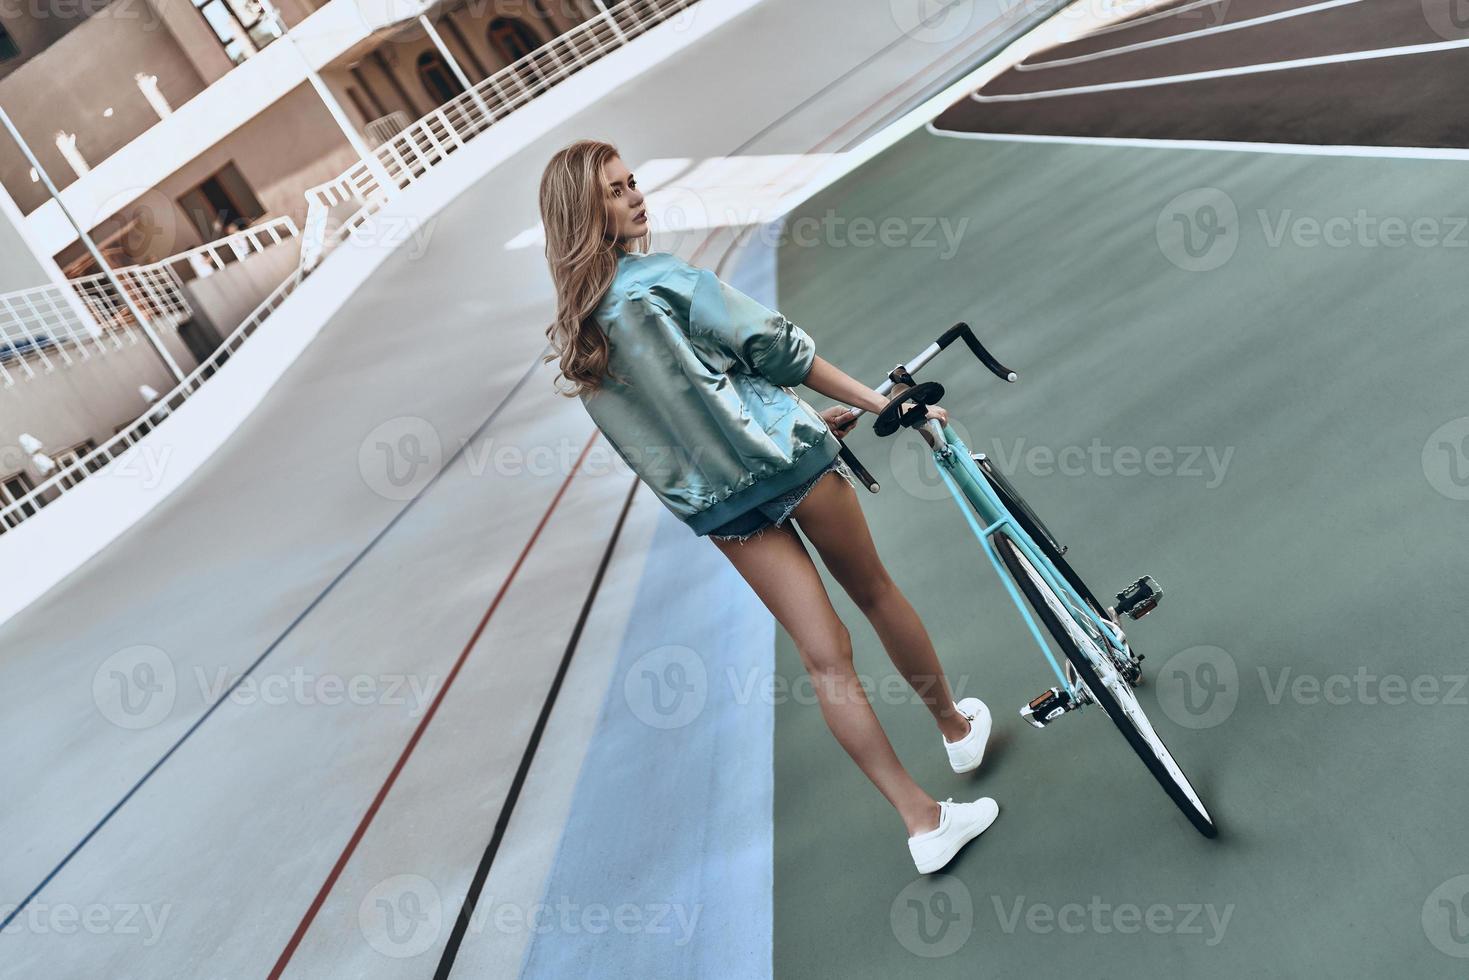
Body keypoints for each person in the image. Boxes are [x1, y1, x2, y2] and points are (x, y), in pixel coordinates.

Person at [537, 138, 999, 874]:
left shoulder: (578, 341)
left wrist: (715, 494)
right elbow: (776, 350)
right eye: (616, 190)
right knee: (875, 594)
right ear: (584, 212)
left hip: (725, 513)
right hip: (791, 462)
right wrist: (877, 402)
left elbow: (662, 440)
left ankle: (921, 822)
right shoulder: (660, 280)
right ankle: (952, 726)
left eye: (633, 181)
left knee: (825, 663)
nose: (635, 196)